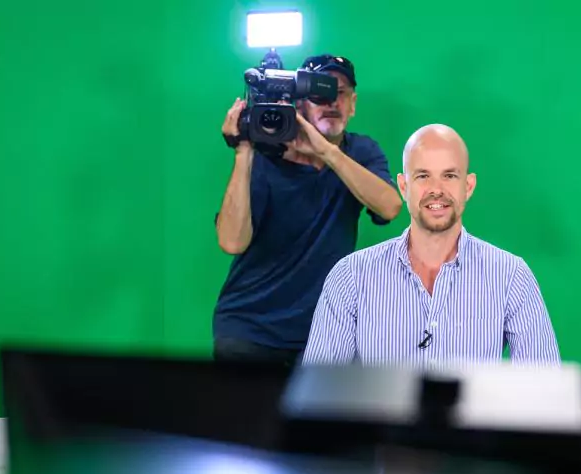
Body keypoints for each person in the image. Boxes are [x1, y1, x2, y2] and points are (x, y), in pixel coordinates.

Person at [301, 123, 560, 366]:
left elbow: (543, 385)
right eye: (423, 176)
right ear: (403, 186)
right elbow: (319, 388)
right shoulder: (350, 276)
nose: (436, 190)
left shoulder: (511, 276)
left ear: (468, 186)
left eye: (449, 175)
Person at [212, 54, 404, 365]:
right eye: (319, 94)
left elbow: (390, 207)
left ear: (353, 104)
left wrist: (326, 152)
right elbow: (232, 242)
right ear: (299, 104)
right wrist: (244, 151)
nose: (331, 103)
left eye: (340, 93)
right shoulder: (266, 156)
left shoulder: (361, 152)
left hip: (324, 333)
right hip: (250, 328)